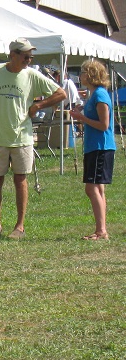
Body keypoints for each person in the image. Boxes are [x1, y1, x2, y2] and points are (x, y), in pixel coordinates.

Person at [0, 38, 66, 240]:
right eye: (25, 56)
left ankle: (20, 226)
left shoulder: (32, 75)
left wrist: (38, 105)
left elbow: (61, 93)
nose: (28, 60)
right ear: (12, 55)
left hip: (22, 137)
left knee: (20, 180)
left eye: (30, 57)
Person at [69, 59, 115, 241]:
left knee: (92, 188)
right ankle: (101, 229)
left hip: (100, 147)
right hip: (94, 147)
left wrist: (81, 118)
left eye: (82, 72)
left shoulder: (100, 95)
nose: (80, 76)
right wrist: (81, 110)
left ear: (91, 75)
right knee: (98, 188)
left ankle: (101, 230)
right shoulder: (93, 95)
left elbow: (104, 125)